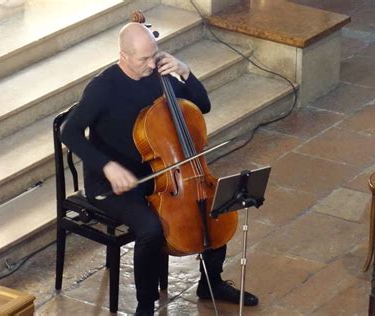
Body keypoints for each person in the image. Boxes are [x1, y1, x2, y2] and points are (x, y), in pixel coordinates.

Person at [61, 22, 258, 315]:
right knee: (151, 228)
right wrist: (108, 166)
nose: (151, 63)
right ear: (123, 55)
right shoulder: (103, 87)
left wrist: (185, 71)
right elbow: (69, 133)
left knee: (215, 206)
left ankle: (211, 283)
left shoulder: (157, 75)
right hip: (113, 183)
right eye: (143, 59)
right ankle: (144, 306)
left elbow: (202, 105)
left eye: (154, 56)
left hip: (162, 176)